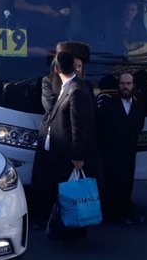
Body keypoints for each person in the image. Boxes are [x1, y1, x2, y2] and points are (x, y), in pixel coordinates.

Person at [31, 49, 102, 234]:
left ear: (57, 69)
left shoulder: (77, 89)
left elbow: (80, 126)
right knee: (64, 191)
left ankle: (76, 231)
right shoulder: (67, 86)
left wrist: (78, 156)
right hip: (58, 150)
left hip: (70, 152)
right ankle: (65, 228)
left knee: (75, 193)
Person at [96, 72, 145, 225]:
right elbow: (101, 126)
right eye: (122, 83)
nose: (125, 87)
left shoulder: (138, 105)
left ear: (133, 86)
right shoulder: (109, 103)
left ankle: (124, 212)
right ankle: (110, 213)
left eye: (128, 84)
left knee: (126, 182)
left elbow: (139, 125)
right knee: (110, 182)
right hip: (111, 151)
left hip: (129, 151)